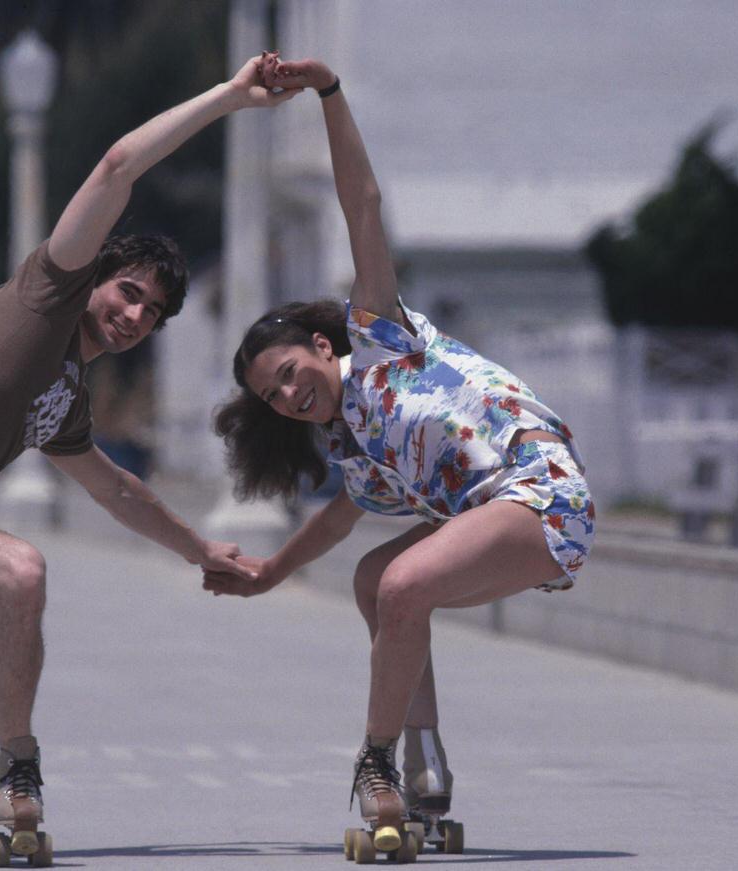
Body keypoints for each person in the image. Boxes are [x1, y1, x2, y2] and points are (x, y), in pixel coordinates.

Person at [0, 54, 296, 859]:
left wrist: (202, 552)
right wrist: (228, 96)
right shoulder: (46, 293)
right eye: (127, 292)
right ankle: (21, 768)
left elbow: (116, 491)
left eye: (150, 313)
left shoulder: (67, 400)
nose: (132, 313)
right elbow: (118, 165)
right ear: (96, 278)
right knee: (19, 571)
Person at [206, 56, 596, 857]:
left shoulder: (380, 340)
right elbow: (339, 518)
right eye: (274, 399)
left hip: (541, 490)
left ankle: (375, 763)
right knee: (371, 580)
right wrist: (272, 573)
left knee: (405, 582)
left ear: (322, 345)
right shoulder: (352, 444)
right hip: (494, 516)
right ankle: (424, 763)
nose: (289, 397)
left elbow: (364, 204)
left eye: (290, 375)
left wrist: (328, 93)